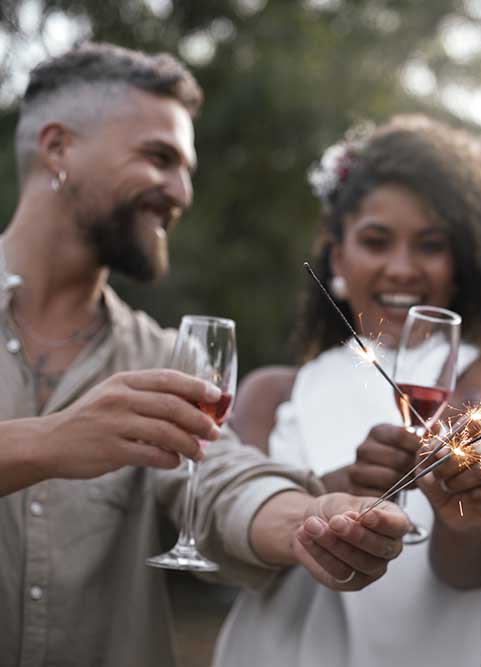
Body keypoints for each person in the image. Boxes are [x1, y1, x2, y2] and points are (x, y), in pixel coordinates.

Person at [0, 43, 408, 667]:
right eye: (158, 158)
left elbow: (219, 481)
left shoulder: (165, 355)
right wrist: (46, 442)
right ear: (58, 148)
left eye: (186, 168)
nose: (180, 192)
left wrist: (309, 521)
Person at [213, 115, 481, 667]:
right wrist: (339, 487)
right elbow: (222, 549)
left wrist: (459, 505)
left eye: (430, 245)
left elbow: (470, 571)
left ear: (461, 264)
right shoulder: (272, 392)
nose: (401, 267)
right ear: (338, 260)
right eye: (375, 241)